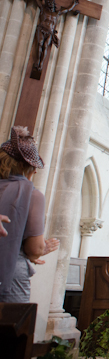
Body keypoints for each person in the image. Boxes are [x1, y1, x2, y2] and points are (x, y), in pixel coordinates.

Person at [0, 126, 59, 302]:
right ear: (23, 166)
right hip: (9, 275)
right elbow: (34, 248)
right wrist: (38, 251)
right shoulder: (32, 194)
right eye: (33, 166)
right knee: (11, 328)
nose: (34, 171)